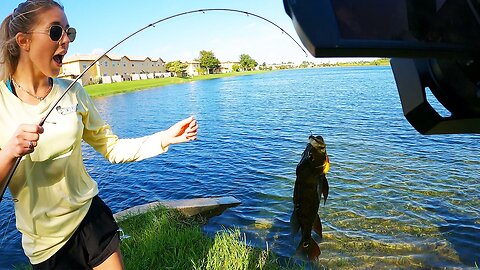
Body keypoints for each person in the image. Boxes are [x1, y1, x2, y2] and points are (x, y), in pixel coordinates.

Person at [0, 1, 198, 269]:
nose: (66, 41)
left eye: (69, 32)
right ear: (23, 41)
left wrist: (164, 138)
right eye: (56, 31)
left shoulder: (73, 91)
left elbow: (112, 148)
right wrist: (11, 152)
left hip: (90, 217)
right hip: (47, 245)